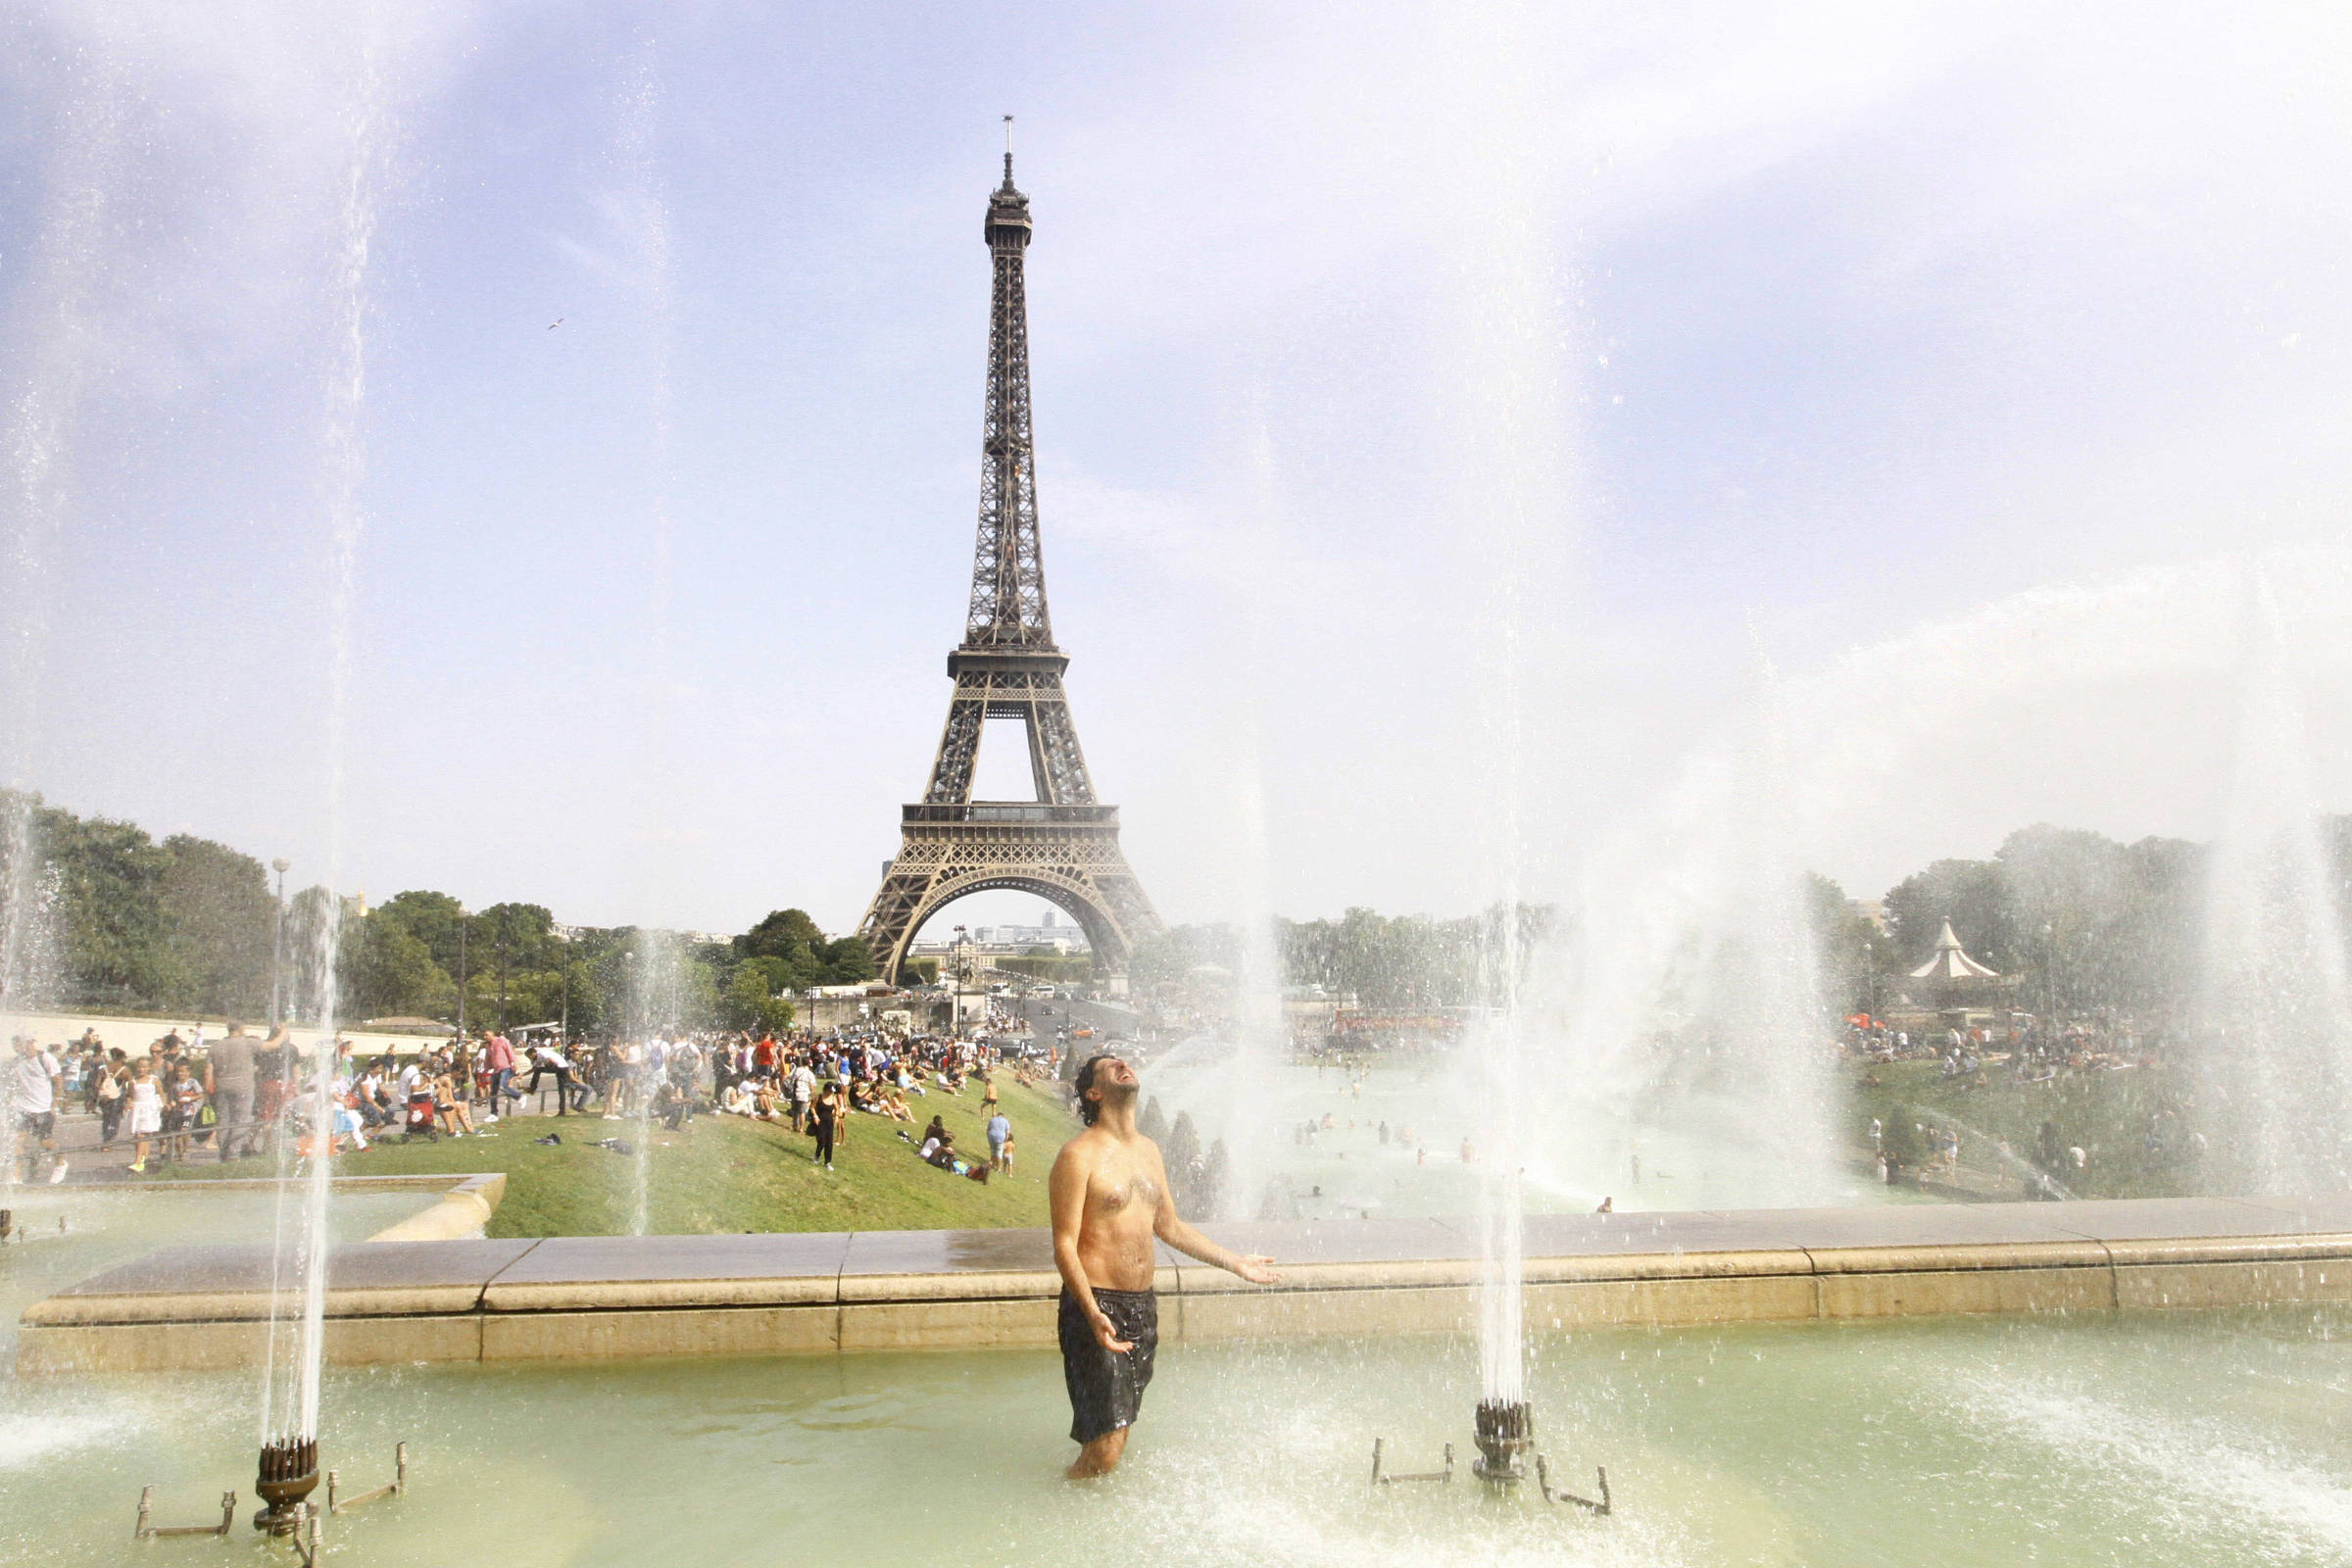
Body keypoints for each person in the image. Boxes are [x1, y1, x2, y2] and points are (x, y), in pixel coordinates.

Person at [1049, 1054, 1280, 1479]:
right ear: (1094, 1093)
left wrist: (1234, 1262)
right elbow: (1064, 1244)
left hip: (1141, 1307)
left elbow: (1169, 1227)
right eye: (1109, 1065)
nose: (1123, 1064)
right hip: (1097, 1307)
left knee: (1115, 1432)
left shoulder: (1150, 1151)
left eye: (1125, 1061)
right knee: (1106, 1448)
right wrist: (1089, 1310)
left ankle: (1084, 1504)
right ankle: (1062, 1504)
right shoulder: (1077, 1155)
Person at [7, 1035, 67, 1185]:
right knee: (18, 1141)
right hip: (23, 1109)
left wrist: (55, 1105)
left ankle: (61, 1163)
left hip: (43, 1108)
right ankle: (16, 1177)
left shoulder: (45, 1059)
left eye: (19, 1045)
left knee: (45, 1142)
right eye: (15, 1046)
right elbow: (13, 1084)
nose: (17, 1049)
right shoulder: (17, 1062)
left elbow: (58, 1081)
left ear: (30, 1043)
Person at [206, 1021, 261, 1161]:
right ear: (241, 1029)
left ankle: (223, 1153)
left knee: (223, 1120)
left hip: (221, 1087)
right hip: (243, 1087)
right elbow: (272, 1045)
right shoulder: (248, 1043)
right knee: (241, 1120)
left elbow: (208, 1071)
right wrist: (283, 1032)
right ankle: (233, 1154)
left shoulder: (215, 1046)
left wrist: (207, 1091)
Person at [124, 1055, 165, 1173]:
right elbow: (130, 1096)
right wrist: (129, 1103)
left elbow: (161, 1093)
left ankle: (137, 1161)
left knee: (143, 1134)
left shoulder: (154, 1080)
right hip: (138, 1109)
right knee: (140, 1136)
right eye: (139, 1067)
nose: (141, 1069)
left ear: (149, 1067)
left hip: (149, 1109)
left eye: (144, 1067)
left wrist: (164, 1105)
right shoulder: (133, 1081)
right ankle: (143, 1160)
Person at [987, 1109, 1012, 1173]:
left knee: (992, 1153)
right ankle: (999, 1169)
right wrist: (1005, 1141)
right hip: (1001, 1138)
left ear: (997, 1115)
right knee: (999, 1154)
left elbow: (988, 1130)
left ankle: (991, 1165)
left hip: (991, 1137)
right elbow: (1007, 1132)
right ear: (1002, 1116)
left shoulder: (992, 1119)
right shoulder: (1006, 1121)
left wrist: (988, 1137)